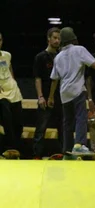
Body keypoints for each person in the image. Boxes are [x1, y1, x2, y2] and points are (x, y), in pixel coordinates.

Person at [47, 27, 95, 156]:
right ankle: (79, 145)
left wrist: (51, 97)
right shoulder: (79, 50)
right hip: (77, 90)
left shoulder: (58, 57)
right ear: (73, 38)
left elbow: (54, 79)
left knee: (67, 122)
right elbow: (94, 65)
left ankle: (67, 149)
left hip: (64, 93)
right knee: (80, 117)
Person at [33, 27, 62, 159]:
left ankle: (63, 153)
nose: (57, 41)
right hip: (44, 97)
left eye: (59, 38)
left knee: (62, 127)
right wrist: (40, 97)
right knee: (41, 128)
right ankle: (37, 155)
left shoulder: (61, 56)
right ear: (48, 39)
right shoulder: (40, 57)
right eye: (55, 38)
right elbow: (37, 78)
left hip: (60, 97)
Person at [0, 32, 23, 158]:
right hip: (1, 94)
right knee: (6, 120)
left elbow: (9, 69)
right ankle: (8, 149)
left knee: (18, 123)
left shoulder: (7, 55)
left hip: (13, 91)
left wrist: (13, 81)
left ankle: (16, 150)